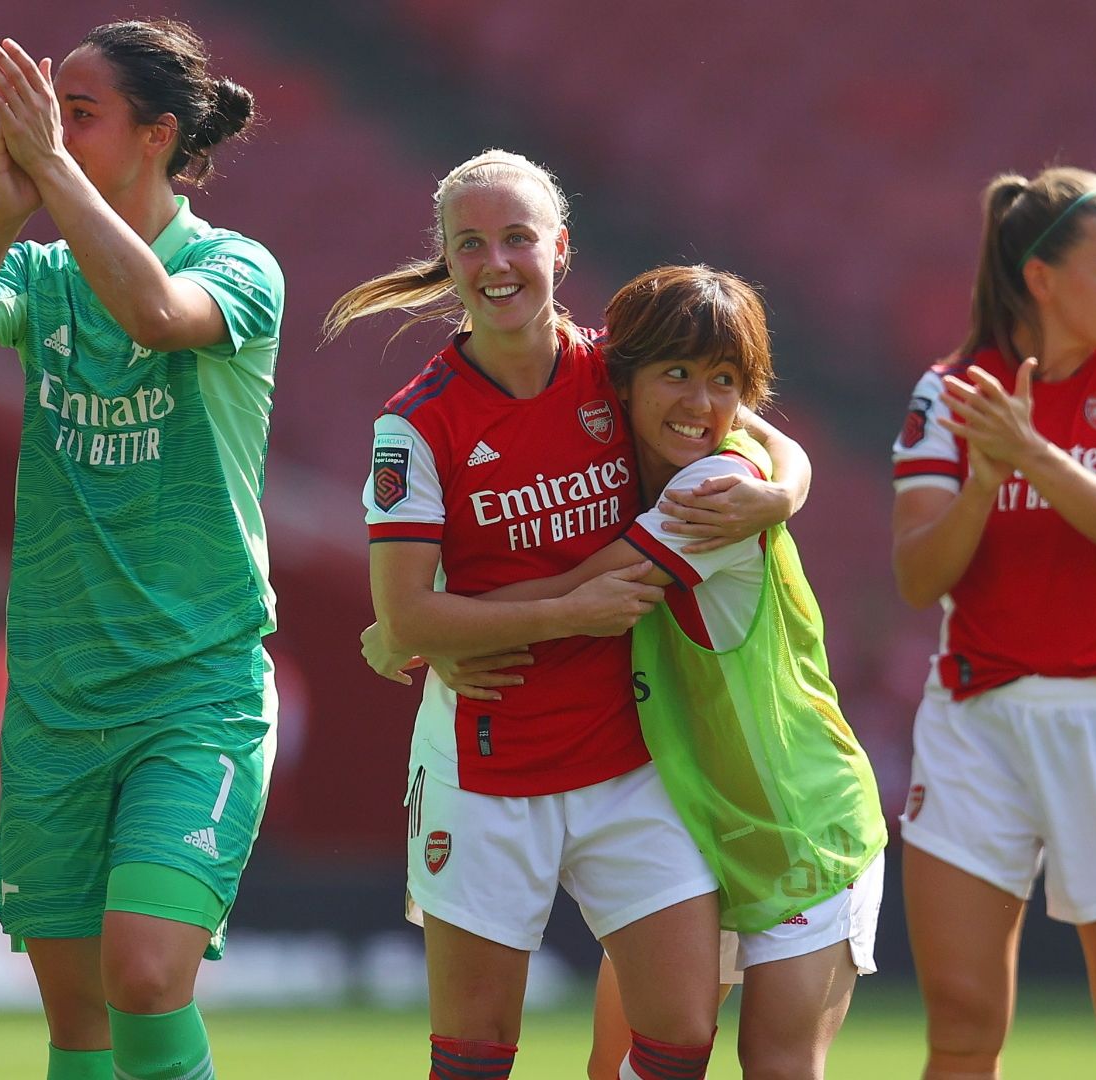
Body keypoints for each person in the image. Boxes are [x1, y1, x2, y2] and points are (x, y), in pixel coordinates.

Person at [329, 153, 808, 1080]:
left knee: (680, 1040)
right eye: (471, 243)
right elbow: (408, 618)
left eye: (518, 237)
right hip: (485, 764)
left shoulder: (618, 371)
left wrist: (785, 490)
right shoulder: (416, 423)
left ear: (560, 248)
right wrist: (565, 613)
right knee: (474, 1055)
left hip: (632, 757)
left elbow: (743, 426)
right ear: (447, 258)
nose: (496, 262)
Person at [0, 19, 282, 1080]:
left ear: (158, 136)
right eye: (48, 112)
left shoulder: (237, 266)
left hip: (195, 689)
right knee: (79, 1026)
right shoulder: (43, 273)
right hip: (59, 699)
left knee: (147, 976)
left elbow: (157, 313)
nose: (51, 131)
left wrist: (55, 174)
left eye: (79, 113)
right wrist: (2, 213)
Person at [890, 167, 1096, 1080]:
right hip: (974, 722)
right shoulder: (951, 392)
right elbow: (918, 576)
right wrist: (982, 487)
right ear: (1041, 277)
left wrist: (1029, 453)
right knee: (961, 1026)